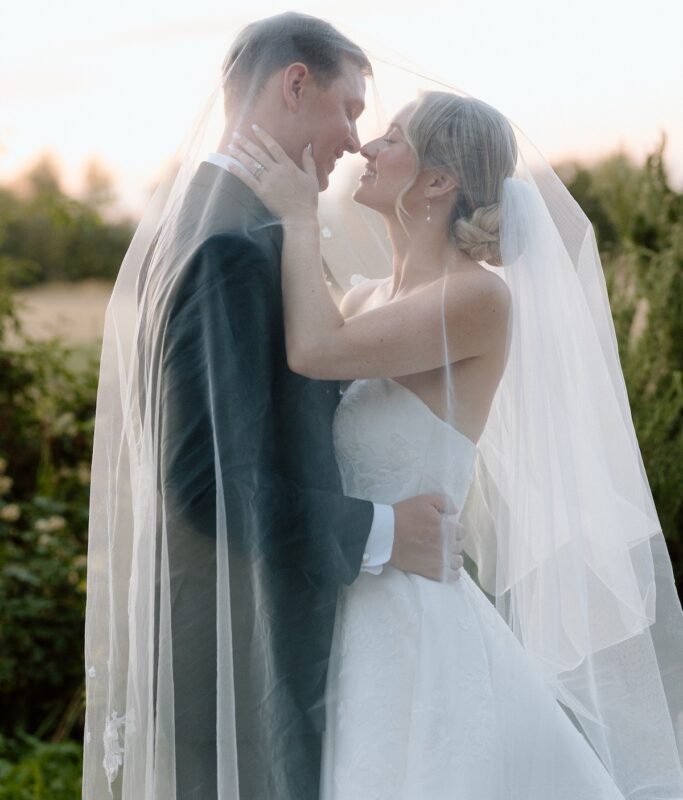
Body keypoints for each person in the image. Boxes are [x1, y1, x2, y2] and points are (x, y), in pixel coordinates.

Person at [228, 88, 683, 798]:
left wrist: (296, 217)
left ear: (439, 180)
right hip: (350, 594)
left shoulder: (478, 299)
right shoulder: (362, 298)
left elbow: (314, 350)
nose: (366, 149)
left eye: (392, 138)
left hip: (412, 623)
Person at [82, 14, 466, 800]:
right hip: (242, 653)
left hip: (253, 632)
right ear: (296, 83)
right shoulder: (230, 243)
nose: (354, 139)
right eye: (351, 108)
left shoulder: (222, 219)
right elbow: (205, 482)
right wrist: (388, 532)